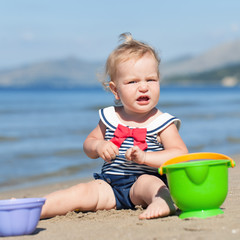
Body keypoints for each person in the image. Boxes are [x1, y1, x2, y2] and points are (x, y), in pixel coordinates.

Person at [40, 33, 188, 220]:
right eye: (132, 82)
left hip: (141, 188)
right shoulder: (110, 117)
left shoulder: (161, 122)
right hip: (110, 185)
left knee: (151, 184)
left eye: (150, 79)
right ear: (115, 90)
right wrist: (99, 146)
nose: (143, 87)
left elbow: (180, 155)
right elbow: (89, 145)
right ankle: (38, 207)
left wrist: (145, 157)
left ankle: (162, 202)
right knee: (80, 191)